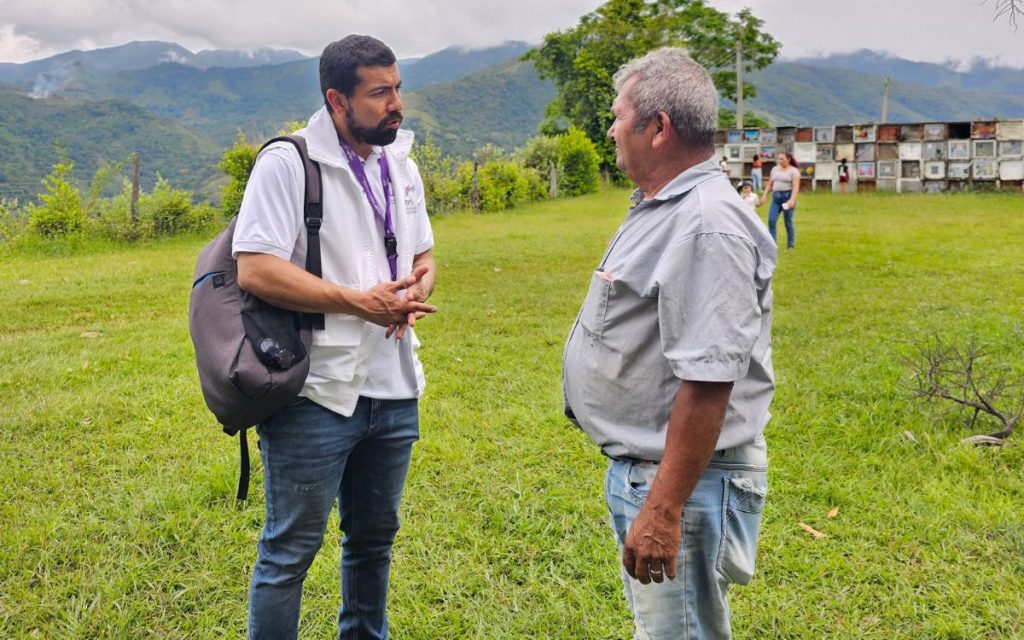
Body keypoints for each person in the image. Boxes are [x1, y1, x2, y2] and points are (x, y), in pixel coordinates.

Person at [562, 47, 776, 640]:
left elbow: (709, 379)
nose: (609, 128)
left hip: (681, 484)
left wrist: (663, 508)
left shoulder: (706, 223)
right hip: (654, 474)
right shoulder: (668, 207)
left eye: (618, 113)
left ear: (658, 128)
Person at [232, 34, 438, 640]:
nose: (395, 104)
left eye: (397, 88)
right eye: (379, 94)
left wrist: (418, 283)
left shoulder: (401, 158)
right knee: (290, 552)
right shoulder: (287, 163)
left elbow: (422, 248)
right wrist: (358, 302)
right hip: (314, 391)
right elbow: (255, 268)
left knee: (374, 541)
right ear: (336, 99)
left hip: (394, 384)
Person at [757, 151, 801, 249]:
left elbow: (795, 186)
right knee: (771, 220)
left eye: (782, 159)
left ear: (788, 159)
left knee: (788, 222)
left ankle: (790, 245)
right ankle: (773, 245)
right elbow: (770, 184)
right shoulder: (774, 169)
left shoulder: (794, 171)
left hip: (787, 197)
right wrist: (764, 195)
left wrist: (792, 200)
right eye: (778, 159)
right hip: (776, 198)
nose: (779, 161)